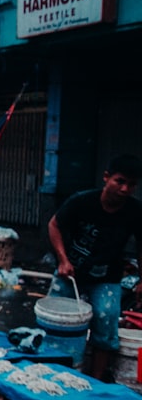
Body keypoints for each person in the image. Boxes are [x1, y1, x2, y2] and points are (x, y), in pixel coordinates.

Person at [47, 153, 142, 380]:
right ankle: (50, 369)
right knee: (56, 319)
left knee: (106, 319)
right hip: (71, 272)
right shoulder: (82, 201)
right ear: (106, 177)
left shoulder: (135, 211)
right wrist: (63, 260)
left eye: (131, 185)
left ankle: (95, 380)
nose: (124, 189)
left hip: (107, 276)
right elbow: (54, 225)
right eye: (120, 181)